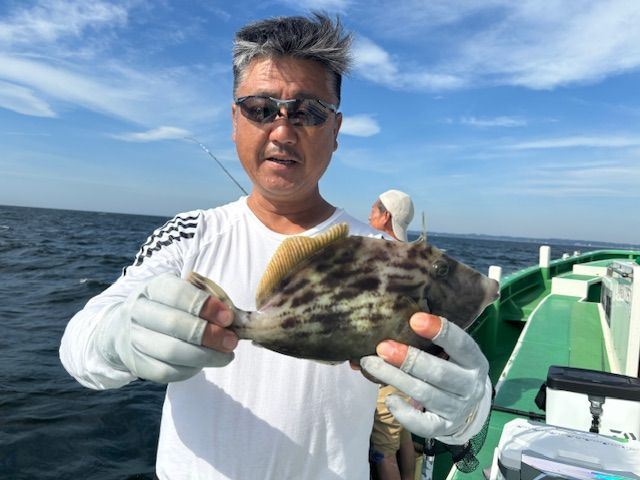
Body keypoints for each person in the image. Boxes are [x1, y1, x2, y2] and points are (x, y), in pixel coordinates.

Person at [59, 13, 492, 480]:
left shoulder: (382, 252)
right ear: (235, 120)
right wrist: (116, 338)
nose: (282, 131)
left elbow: (442, 380)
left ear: (335, 129)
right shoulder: (189, 233)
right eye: (261, 108)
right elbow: (80, 346)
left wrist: (468, 412)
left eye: (308, 112)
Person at [368, 189, 418, 480]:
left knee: (384, 448)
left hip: (387, 368)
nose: (368, 217)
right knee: (404, 434)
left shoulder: (380, 255)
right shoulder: (413, 257)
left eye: (373, 212)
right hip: (410, 365)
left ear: (385, 216)